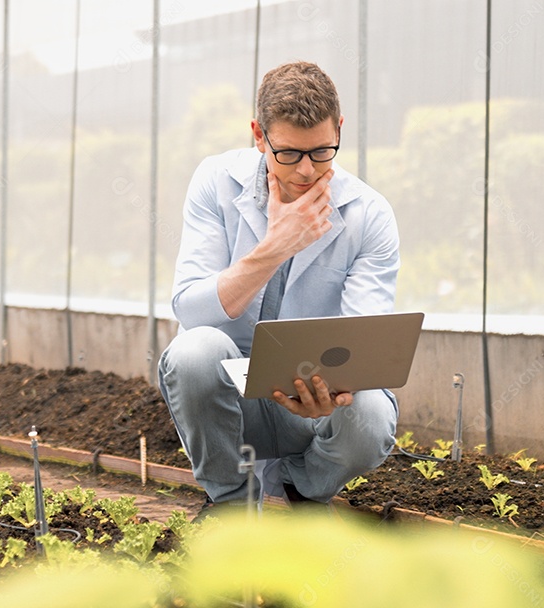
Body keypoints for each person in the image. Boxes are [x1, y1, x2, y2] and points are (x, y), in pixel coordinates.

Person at [158, 61, 401, 511]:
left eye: (322, 151)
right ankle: (231, 503)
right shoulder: (215, 182)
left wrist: (331, 391)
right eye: (288, 153)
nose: (307, 171)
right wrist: (275, 246)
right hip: (231, 403)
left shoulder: (369, 215)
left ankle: (303, 488)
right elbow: (190, 311)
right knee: (194, 353)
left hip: (314, 405)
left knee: (370, 415)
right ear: (258, 135)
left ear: (339, 130)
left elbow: (364, 343)